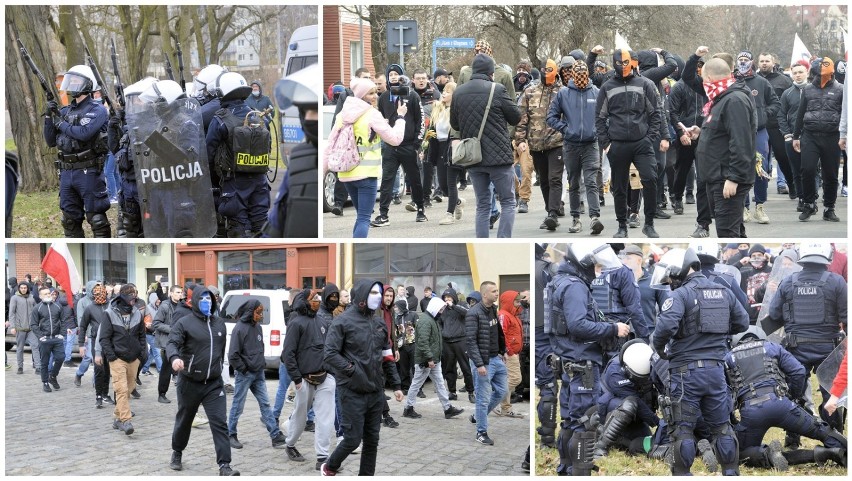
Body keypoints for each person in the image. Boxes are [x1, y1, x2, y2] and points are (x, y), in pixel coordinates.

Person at [650, 248, 749, 475]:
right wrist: (718, 335)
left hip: (686, 374)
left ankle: (683, 474)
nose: (671, 281)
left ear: (682, 271)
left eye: (672, 276)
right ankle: (731, 473)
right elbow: (742, 323)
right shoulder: (724, 291)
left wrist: (660, 347)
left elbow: (665, 327)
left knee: (683, 430)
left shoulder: (681, 295)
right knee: (722, 428)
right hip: (716, 371)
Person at [547, 242, 630, 474]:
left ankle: (566, 467)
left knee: (571, 421)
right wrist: (613, 329)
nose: (599, 271)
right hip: (581, 363)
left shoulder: (561, 281)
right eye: (596, 266)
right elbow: (578, 325)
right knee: (587, 421)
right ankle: (580, 471)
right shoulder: (575, 286)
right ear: (583, 264)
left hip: (569, 360)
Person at [724, 330, 847, 470]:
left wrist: (732, 420)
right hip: (781, 404)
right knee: (822, 431)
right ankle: (838, 452)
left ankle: (769, 454)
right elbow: (799, 371)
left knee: (738, 453)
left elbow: (723, 394)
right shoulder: (772, 347)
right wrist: (792, 397)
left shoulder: (728, 358)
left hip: (751, 413)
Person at [321, 279, 404, 476]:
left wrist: (397, 385)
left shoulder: (379, 323)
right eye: (373, 293)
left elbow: (387, 355)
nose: (378, 297)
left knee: (372, 440)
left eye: (379, 293)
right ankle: (329, 466)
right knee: (352, 439)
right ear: (361, 295)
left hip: (375, 391)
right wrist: (351, 370)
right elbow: (330, 354)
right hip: (351, 391)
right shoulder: (342, 321)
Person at [765, 242, 847, 440]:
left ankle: (792, 439)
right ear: (826, 257)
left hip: (796, 347)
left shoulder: (788, 282)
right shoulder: (837, 282)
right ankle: (835, 438)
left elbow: (774, 315)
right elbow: (846, 317)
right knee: (830, 393)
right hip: (829, 348)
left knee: (795, 393)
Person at [166, 288, 239, 476]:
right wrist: (174, 358)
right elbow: (172, 343)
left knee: (219, 422)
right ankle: (177, 451)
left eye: (210, 299)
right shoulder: (185, 322)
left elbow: (220, 352)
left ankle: (225, 465)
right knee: (185, 419)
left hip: (213, 384)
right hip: (189, 382)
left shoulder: (219, 324)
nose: (207, 301)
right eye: (203, 299)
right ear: (196, 301)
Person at [450, 54, 522, 238]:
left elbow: (455, 124)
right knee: (508, 202)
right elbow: (515, 117)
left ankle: (483, 243)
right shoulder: (497, 90)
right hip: (499, 157)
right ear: (491, 72)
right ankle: (503, 241)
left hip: (474, 157)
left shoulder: (459, 92)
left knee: (482, 204)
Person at [595, 49, 663, 238]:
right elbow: (599, 117)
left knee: (650, 179)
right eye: (620, 63)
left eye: (626, 63)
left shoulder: (645, 84)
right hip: (617, 143)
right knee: (620, 187)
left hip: (641, 142)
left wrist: (650, 138)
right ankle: (622, 226)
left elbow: (656, 113)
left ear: (632, 63)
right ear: (614, 63)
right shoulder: (607, 87)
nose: (623, 67)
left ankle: (648, 223)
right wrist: (606, 143)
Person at [332, 77, 407, 237]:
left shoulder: (342, 115)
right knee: (365, 219)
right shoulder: (372, 114)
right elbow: (395, 139)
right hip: (366, 175)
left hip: (346, 174)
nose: (375, 96)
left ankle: (352, 248)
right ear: (361, 96)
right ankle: (356, 252)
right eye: (370, 93)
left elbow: (331, 144)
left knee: (360, 218)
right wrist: (400, 118)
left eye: (375, 93)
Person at [43, 64, 111, 237]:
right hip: (66, 172)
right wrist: (49, 116)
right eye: (70, 80)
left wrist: (61, 123)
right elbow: (51, 141)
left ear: (87, 84)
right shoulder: (65, 111)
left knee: (97, 219)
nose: (72, 84)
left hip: (88, 171)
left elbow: (83, 133)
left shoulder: (97, 110)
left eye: (76, 81)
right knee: (69, 220)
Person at [691, 58, 757, 237]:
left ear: (710, 78)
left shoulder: (734, 100)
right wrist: (702, 133)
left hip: (726, 178)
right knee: (733, 230)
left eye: (704, 79)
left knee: (727, 233)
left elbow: (741, 141)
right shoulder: (722, 98)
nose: (703, 83)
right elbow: (723, 132)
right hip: (716, 176)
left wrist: (734, 177)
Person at [207, 72, 269, 238]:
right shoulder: (256, 115)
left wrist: (213, 180)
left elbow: (209, 152)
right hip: (260, 181)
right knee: (261, 226)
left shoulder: (220, 119)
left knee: (237, 228)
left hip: (234, 183)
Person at [281, 290, 338, 469]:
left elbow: (330, 347)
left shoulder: (322, 321)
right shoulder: (296, 323)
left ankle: (322, 458)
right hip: (304, 380)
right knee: (300, 417)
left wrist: (332, 373)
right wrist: (297, 379)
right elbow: (287, 354)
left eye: (317, 298)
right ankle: (290, 444)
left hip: (324, 378)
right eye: (313, 298)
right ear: (304, 302)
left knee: (325, 419)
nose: (317, 300)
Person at [546, 60, 602, 234]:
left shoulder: (596, 92)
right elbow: (551, 117)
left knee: (591, 181)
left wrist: (597, 131)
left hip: (591, 144)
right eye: (578, 75)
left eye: (584, 75)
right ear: (572, 76)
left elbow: (604, 116)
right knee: (574, 182)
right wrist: (566, 129)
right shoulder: (563, 94)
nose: (581, 78)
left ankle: (594, 218)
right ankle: (576, 219)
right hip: (571, 144)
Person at [267, 64, 320, 238]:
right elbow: (277, 220)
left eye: (316, 110)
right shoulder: (298, 160)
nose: (309, 118)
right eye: (307, 111)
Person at [226, 299, 285, 451]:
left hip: (258, 372)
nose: (261, 315)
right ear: (250, 312)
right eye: (258, 312)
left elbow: (260, 346)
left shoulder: (257, 327)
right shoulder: (240, 329)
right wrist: (244, 369)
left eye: (261, 312)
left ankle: (275, 435)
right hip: (245, 374)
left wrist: (261, 365)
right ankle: (230, 434)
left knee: (265, 404)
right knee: (238, 405)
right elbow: (233, 355)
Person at [372, 64, 427, 226]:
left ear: (402, 76)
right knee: (387, 180)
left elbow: (420, 121)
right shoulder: (384, 97)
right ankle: (383, 214)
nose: (394, 77)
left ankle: (421, 209)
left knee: (415, 179)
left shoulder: (412, 95)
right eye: (391, 74)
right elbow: (381, 120)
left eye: (397, 74)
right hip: (390, 146)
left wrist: (417, 144)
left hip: (409, 145)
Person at [793, 57, 843, 222]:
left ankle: (829, 208)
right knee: (807, 169)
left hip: (832, 136)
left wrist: (845, 135)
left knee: (831, 174)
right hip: (810, 135)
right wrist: (795, 136)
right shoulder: (807, 90)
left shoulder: (841, 90)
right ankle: (809, 203)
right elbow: (800, 114)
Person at [401, 297, 465, 420]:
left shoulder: (431, 318)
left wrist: (432, 358)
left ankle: (447, 409)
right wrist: (429, 359)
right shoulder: (426, 320)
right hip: (426, 361)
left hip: (433, 360)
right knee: (416, 384)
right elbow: (423, 342)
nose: (441, 311)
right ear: (435, 308)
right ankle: (408, 408)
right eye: (440, 309)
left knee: (440, 383)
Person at [514, 58, 563, 216]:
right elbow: (522, 117)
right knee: (544, 179)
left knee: (554, 178)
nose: (546, 74)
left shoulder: (563, 92)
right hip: (536, 144)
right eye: (543, 70)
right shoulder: (530, 92)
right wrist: (520, 140)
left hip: (557, 142)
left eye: (549, 70)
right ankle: (550, 208)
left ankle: (553, 213)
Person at [98, 284, 146, 436]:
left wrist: (141, 353)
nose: (134, 297)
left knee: (129, 389)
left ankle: (117, 418)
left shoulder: (137, 313)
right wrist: (111, 356)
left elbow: (142, 335)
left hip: (134, 358)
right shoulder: (109, 314)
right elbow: (104, 338)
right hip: (117, 358)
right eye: (130, 294)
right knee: (121, 389)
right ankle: (126, 420)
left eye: (135, 294)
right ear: (123, 297)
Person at [465, 281, 509, 446]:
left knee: (502, 391)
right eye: (493, 291)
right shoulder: (473, 313)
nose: (497, 293)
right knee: (482, 399)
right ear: (484, 294)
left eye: (497, 290)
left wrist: (503, 350)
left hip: (496, 358)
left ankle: (478, 416)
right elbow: (470, 341)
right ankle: (481, 432)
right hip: (483, 361)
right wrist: (479, 364)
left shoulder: (492, 309)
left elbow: (497, 331)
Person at [427, 81, 465, 225]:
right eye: (444, 91)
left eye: (448, 92)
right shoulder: (437, 110)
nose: (444, 93)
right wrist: (427, 149)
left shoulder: (457, 110)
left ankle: (449, 214)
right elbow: (431, 133)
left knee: (450, 183)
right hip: (440, 148)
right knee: (442, 186)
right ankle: (458, 202)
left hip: (453, 147)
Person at [779, 61, 812, 213]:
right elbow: (781, 114)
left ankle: (811, 198)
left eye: (801, 72)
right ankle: (801, 198)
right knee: (797, 170)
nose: (798, 75)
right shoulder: (787, 93)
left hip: (811, 136)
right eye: (795, 73)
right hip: (792, 137)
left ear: (807, 72)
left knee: (810, 169)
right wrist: (787, 134)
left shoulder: (813, 90)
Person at [437, 285, 475, 403]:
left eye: (449, 297)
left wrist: (453, 306)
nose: (447, 299)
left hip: (460, 341)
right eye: (445, 297)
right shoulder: (442, 308)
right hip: (447, 342)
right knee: (449, 368)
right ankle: (452, 391)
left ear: (453, 297)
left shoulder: (461, 305)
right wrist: (442, 333)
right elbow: (439, 322)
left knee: (465, 368)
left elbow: (468, 314)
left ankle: (471, 392)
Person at [78, 283, 112, 407]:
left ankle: (105, 393)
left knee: (108, 369)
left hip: (110, 341)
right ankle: (98, 395)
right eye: (97, 293)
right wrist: (81, 344)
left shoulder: (110, 305)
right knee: (99, 369)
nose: (100, 295)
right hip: (95, 341)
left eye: (102, 292)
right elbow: (83, 326)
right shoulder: (90, 308)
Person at [30, 286, 67, 392]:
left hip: (57, 338)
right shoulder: (37, 308)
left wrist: (62, 334)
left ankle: (53, 376)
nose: (48, 295)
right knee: (45, 362)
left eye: (49, 293)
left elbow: (64, 320)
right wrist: (40, 336)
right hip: (45, 339)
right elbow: (33, 324)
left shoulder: (58, 306)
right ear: (40, 296)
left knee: (61, 358)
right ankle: (45, 382)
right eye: (45, 294)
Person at [152, 285, 182, 404]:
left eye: (181, 292)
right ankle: (162, 394)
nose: (180, 294)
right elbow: (156, 323)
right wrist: (172, 329)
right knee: (166, 369)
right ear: (171, 293)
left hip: (180, 341)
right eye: (177, 292)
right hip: (167, 343)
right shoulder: (164, 306)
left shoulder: (181, 306)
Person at [496, 290, 524, 418]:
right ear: (508, 302)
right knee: (515, 379)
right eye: (516, 301)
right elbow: (502, 335)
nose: (519, 304)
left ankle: (505, 408)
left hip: (513, 352)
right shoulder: (504, 315)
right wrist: (507, 351)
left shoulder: (513, 315)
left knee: (508, 379)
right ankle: (494, 398)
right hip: (510, 353)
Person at [8, 281, 39, 375]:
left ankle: (38, 367)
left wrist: (36, 324)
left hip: (31, 329)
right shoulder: (14, 298)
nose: (23, 289)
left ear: (27, 288)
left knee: (35, 346)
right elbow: (12, 313)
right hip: (20, 328)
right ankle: (20, 367)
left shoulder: (32, 297)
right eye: (21, 288)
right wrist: (13, 327)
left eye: (25, 288)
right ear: (19, 288)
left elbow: (36, 311)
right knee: (20, 348)